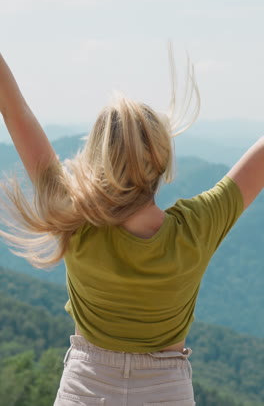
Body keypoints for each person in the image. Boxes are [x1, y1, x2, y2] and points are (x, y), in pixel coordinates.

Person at [0, 44, 262, 406]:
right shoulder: (198, 227)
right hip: (166, 391)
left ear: (96, 158)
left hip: (86, 387)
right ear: (163, 158)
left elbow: (16, 113)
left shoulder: (74, 217)